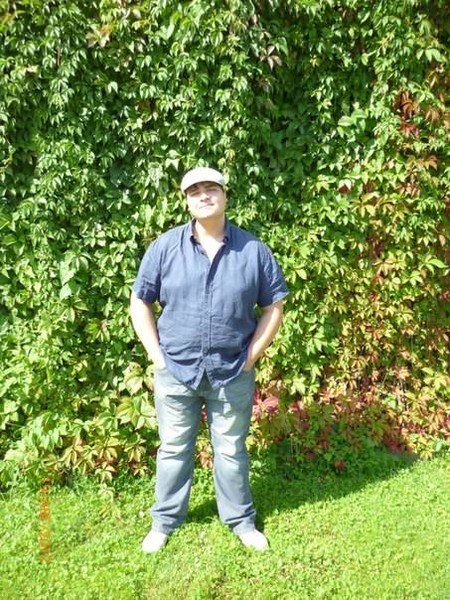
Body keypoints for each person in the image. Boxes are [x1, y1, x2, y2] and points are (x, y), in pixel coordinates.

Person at [130, 166, 289, 553]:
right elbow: (140, 301)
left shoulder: (253, 250)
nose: (203, 195)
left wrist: (251, 356)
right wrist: (156, 355)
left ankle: (241, 521)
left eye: (211, 188)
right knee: (173, 449)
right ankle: (164, 522)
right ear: (186, 201)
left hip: (232, 371)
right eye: (194, 191)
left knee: (231, 450)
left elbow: (274, 306)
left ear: (224, 195)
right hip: (176, 370)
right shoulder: (165, 247)